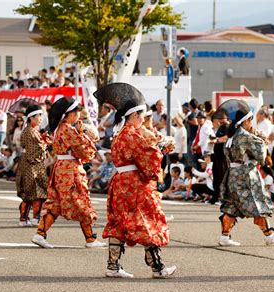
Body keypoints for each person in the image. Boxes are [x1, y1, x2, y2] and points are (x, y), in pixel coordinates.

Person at [94, 82, 176, 279]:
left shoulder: (119, 134)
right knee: (146, 221)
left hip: (120, 181)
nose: (143, 119)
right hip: (135, 184)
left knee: (119, 224)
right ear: (133, 116)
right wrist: (164, 148)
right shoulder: (132, 134)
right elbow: (148, 159)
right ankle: (157, 267)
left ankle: (113, 266)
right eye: (141, 115)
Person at [31, 97, 105, 249]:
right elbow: (85, 149)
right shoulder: (69, 129)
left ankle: (40, 233)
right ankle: (90, 239)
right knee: (82, 201)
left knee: (56, 203)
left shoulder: (59, 127)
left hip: (60, 167)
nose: (79, 114)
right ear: (71, 114)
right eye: (77, 112)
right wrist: (87, 134)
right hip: (71, 169)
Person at [217, 99, 274, 247]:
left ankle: (225, 236)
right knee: (257, 202)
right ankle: (269, 235)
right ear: (246, 121)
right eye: (250, 120)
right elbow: (261, 154)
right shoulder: (244, 135)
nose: (252, 123)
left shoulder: (232, 135)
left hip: (233, 174)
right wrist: (260, 138)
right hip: (245, 175)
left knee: (232, 206)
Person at [15, 104, 51, 227]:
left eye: (41, 116)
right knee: (35, 192)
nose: (40, 118)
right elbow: (36, 149)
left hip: (32, 164)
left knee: (33, 193)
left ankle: (26, 218)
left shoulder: (32, 130)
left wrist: (44, 140)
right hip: (31, 164)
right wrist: (45, 142)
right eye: (38, 116)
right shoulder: (30, 131)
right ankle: (32, 218)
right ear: (31, 118)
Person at [210, 110, 229, 204]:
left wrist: (217, 140)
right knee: (216, 177)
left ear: (226, 118)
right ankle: (215, 197)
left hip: (223, 156)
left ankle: (223, 198)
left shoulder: (227, 127)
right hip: (217, 156)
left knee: (222, 177)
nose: (221, 120)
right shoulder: (221, 127)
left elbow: (227, 137)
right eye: (219, 118)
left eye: (222, 118)